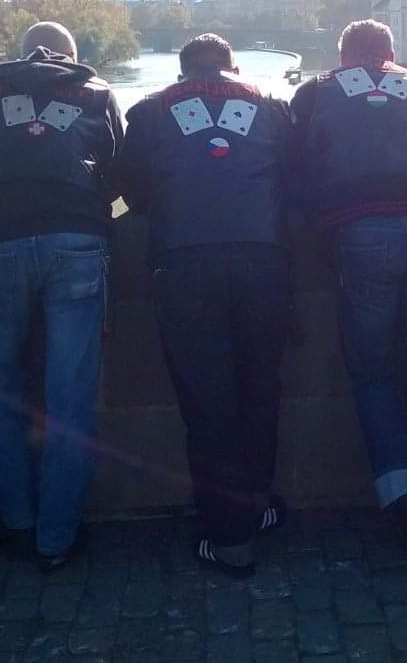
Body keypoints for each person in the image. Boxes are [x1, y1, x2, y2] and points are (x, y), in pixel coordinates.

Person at [115, 34, 294, 578]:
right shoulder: (272, 106)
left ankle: (229, 537)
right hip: (263, 259)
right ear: (232, 67)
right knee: (260, 388)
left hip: (184, 263)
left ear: (182, 71)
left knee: (208, 401)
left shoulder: (149, 111)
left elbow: (133, 193)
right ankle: (257, 504)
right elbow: (296, 179)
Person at [291, 19, 407, 559]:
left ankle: (404, 497)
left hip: (363, 229)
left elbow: (296, 168)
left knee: (372, 372)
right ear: (391, 53)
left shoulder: (317, 91)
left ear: (343, 56)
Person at [0, 21, 122, 572]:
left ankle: (17, 520)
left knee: (0, 388)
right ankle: (57, 537)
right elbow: (117, 173)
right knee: (70, 394)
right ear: (71, 57)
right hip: (76, 239)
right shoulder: (96, 90)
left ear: (21, 55)